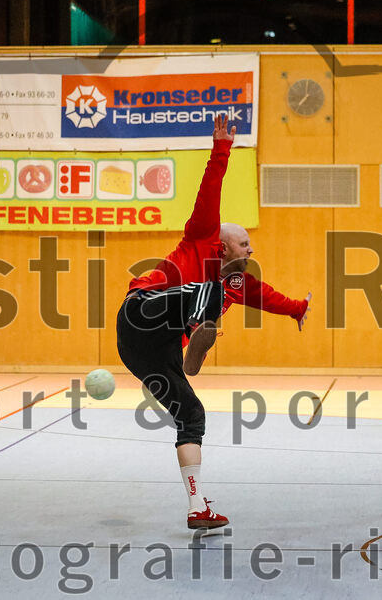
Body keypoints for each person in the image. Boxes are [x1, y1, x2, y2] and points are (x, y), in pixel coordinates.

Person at [116, 115, 312, 530]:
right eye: (244, 243)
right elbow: (210, 191)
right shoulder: (201, 238)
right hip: (143, 311)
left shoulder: (238, 283)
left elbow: (267, 296)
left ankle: (197, 507)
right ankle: (200, 336)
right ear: (222, 246)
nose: (251, 248)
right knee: (210, 291)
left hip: (151, 351)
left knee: (191, 414)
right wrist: (221, 149)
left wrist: (297, 309)